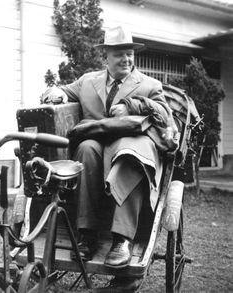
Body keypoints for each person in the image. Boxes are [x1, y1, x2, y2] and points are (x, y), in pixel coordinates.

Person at [42, 26, 177, 268]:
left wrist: (133, 105)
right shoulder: (87, 81)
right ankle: (86, 234)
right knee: (85, 149)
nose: (126, 59)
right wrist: (55, 93)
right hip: (97, 148)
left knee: (128, 155)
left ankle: (122, 239)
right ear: (106, 57)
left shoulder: (149, 85)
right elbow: (63, 91)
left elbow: (165, 115)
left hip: (133, 147)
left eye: (130, 54)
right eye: (119, 54)